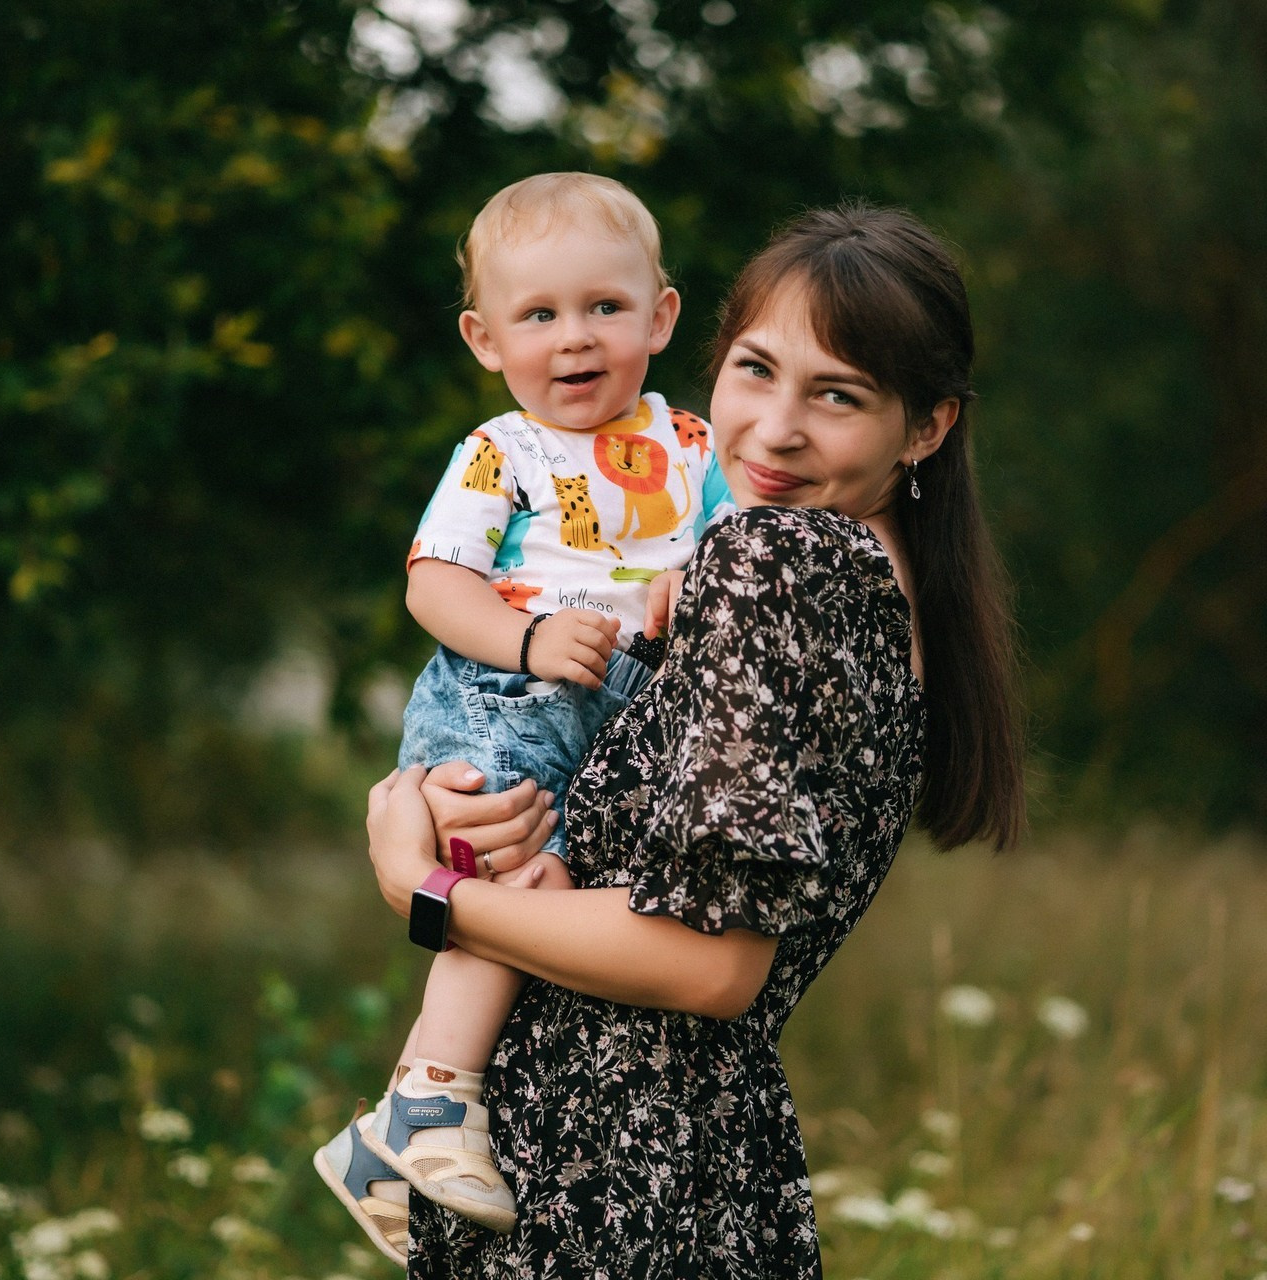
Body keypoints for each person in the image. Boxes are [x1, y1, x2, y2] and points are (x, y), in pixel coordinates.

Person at [365, 201, 1027, 1278]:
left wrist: (428, 892)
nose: (772, 429)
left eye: (838, 395)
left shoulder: (774, 566)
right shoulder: (869, 594)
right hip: (697, 1176)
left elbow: (709, 962)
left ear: (926, 426)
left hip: (604, 1183)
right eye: (755, 370)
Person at [313, 173, 732, 1261]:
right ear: (484, 338)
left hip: (613, 711)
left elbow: (735, 550)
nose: (575, 338)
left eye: (603, 306)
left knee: (548, 889)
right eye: (538, 316)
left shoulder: (693, 444)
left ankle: (391, 1140)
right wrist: (532, 639)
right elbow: (433, 585)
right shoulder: (500, 451)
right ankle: (426, 1098)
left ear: (660, 315)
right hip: (503, 697)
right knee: (506, 875)